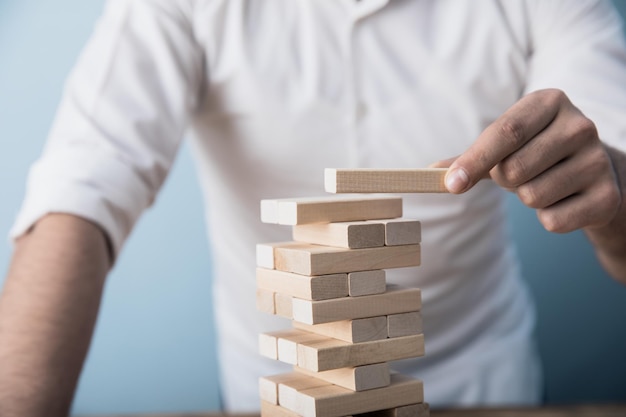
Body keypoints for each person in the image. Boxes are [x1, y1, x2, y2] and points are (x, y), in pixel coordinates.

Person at [1, 0, 626, 416]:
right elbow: (78, 196)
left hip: (486, 387)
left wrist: (609, 187)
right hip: (271, 391)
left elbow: (613, 166)